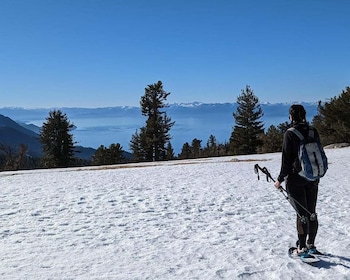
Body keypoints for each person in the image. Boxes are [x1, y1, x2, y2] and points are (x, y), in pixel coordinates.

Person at [274, 104, 321, 258]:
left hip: (296, 178)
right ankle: (311, 244)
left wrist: (280, 179)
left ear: (291, 116)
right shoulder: (313, 131)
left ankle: (301, 248)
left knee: (301, 214)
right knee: (311, 211)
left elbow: (286, 160)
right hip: (313, 177)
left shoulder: (290, 133)